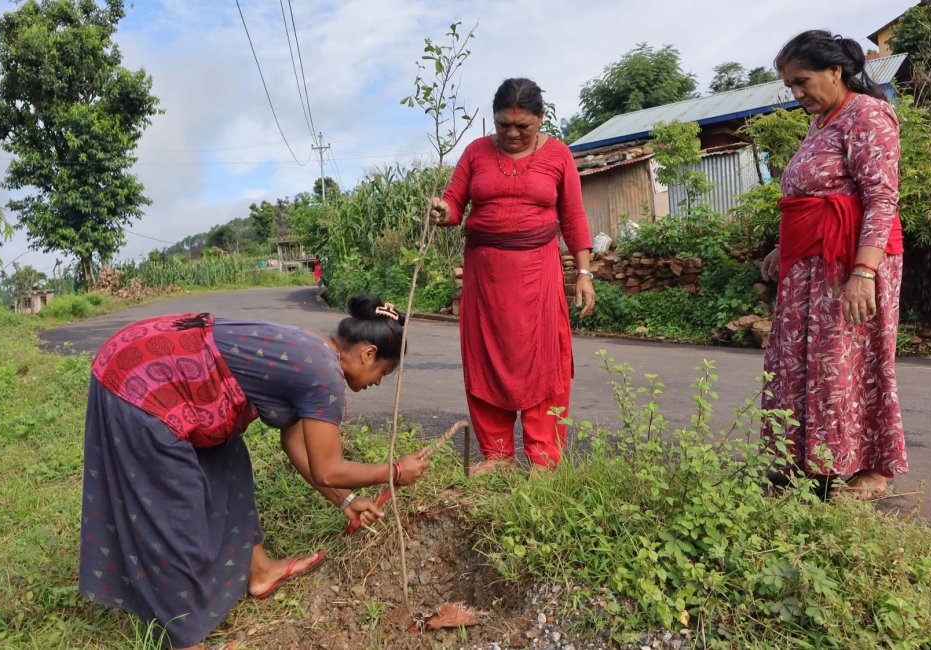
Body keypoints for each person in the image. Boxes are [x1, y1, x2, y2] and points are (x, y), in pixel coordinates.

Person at [79, 295, 431, 649]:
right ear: (368, 354)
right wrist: (397, 471)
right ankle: (183, 639)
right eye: (384, 372)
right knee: (175, 511)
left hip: (157, 361)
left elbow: (295, 445)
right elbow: (328, 469)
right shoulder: (324, 375)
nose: (378, 383)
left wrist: (347, 500)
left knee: (228, 466)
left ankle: (259, 571)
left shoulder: (315, 352)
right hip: (142, 378)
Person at [760, 30, 907, 499]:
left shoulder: (868, 115)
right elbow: (811, 198)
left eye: (803, 82)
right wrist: (784, 248)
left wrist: (863, 274)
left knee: (847, 364)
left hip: (852, 263)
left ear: (835, 72)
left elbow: (881, 198)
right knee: (802, 363)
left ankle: (871, 470)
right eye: (790, 87)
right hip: (812, 263)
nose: (798, 94)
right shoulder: (822, 123)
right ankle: (811, 461)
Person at [429, 78, 596, 475]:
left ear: (540, 119)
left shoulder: (558, 155)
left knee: (545, 364)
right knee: (487, 362)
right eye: (504, 125)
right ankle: (497, 456)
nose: (513, 133)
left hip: (539, 276)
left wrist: (585, 272)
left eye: (524, 126)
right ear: (494, 120)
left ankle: (543, 459)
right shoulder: (475, 153)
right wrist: (443, 211)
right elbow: (454, 203)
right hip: (485, 281)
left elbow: (573, 217)